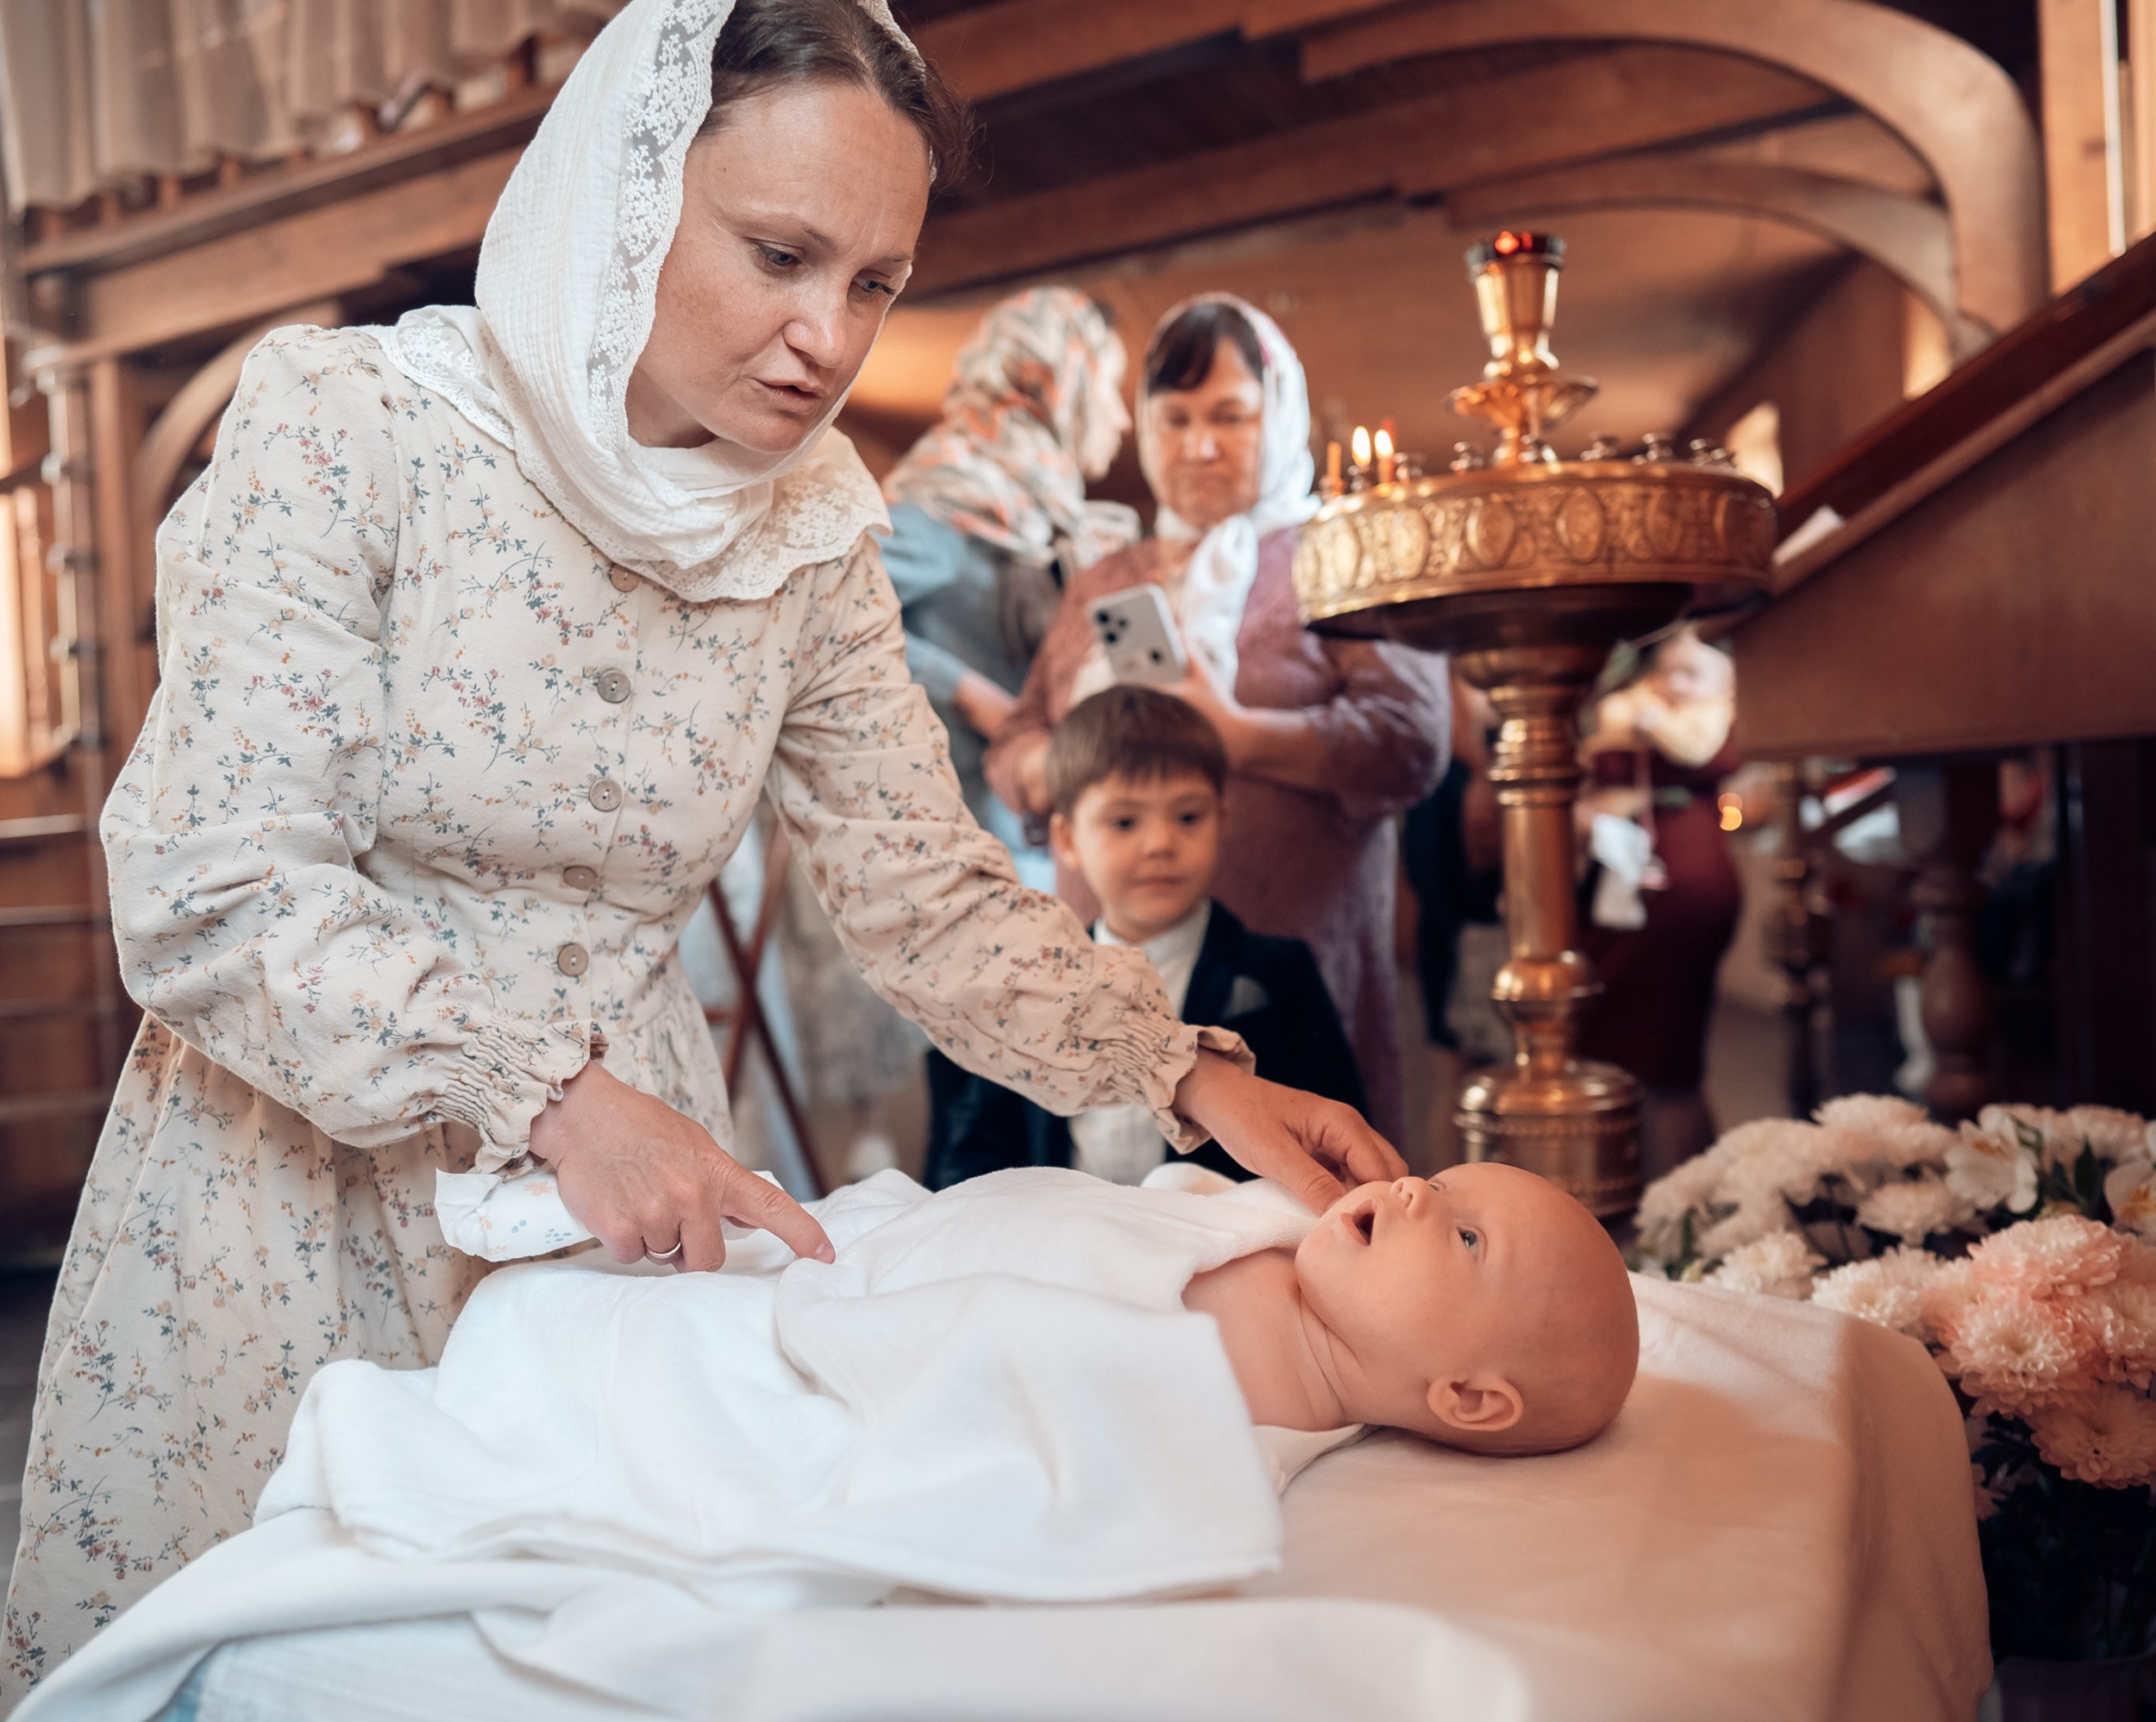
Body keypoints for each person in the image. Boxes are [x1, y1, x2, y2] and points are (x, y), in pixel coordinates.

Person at [1, 0, 1405, 1694]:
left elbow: (919, 887)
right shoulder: (353, 425)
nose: (823, 335)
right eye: (778, 252)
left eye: (873, 281)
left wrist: (1181, 1067)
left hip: (629, 1195)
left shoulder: (811, 530)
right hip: (297, 1172)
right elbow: (210, 878)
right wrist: (549, 1093)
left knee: (608, 1648)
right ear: (625, 194)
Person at [986, 297, 1449, 1144]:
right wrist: (1057, 772)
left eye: (1230, 416)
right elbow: (1019, 734)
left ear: (1279, 419)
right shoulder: (1105, 578)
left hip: (1286, 958)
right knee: (1112, 1188)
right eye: (1176, 418)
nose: (1199, 444)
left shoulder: (1341, 554)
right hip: (1115, 963)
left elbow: (1412, 740)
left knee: (1297, 1187)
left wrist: (1237, 734)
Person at [925, 686, 1366, 1189]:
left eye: (1187, 817)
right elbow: (977, 1147)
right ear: (1068, 840)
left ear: (1222, 820)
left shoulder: (1276, 972)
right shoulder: (1037, 981)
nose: (1159, 844)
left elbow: (1330, 1121)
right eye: (1125, 821)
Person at [880, 286, 1137, 886]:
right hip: (957, 848)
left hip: (1037, 836)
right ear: (1059, 382)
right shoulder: (943, 503)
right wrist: (966, 690)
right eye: (1110, 389)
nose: (1121, 417)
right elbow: (817, 616)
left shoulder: (1037, 515)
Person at [1576, 627, 1744, 1180]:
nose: (1675, 681)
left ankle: (1681, 1208)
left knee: (1666, 1058)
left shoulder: (1705, 716)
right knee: (1637, 1050)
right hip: (1641, 875)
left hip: (1674, 881)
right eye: (1667, 670)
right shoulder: (1638, 699)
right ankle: (1658, 1199)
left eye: (1689, 673)